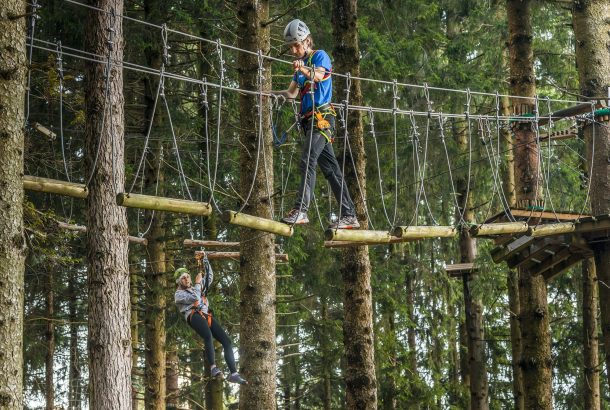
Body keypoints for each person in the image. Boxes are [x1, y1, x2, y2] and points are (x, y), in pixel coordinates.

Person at [274, 19, 360, 229]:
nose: (294, 50)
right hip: (308, 122)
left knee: (307, 158)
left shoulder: (319, 56)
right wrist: (271, 95)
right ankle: (349, 215)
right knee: (331, 170)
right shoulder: (299, 69)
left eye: (297, 45)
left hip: (322, 119)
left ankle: (301, 209)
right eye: (291, 47)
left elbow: (320, 76)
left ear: (306, 41)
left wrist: (303, 70)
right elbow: (292, 94)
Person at [174, 253, 247, 385]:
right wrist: (197, 283)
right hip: (193, 316)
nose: (186, 279)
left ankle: (234, 374)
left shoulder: (196, 286)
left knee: (227, 341)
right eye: (183, 278)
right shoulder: (178, 294)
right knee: (207, 335)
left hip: (206, 315)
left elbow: (209, 277)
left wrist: (205, 259)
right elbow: (195, 298)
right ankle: (213, 368)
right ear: (179, 282)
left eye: (187, 277)